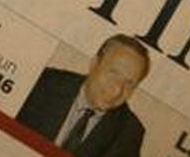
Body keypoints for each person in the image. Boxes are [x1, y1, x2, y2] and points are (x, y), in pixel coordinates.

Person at [16, 35, 149, 157]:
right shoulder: (43, 83)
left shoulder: (129, 133)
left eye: (129, 84)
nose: (117, 91)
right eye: (113, 74)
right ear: (94, 64)